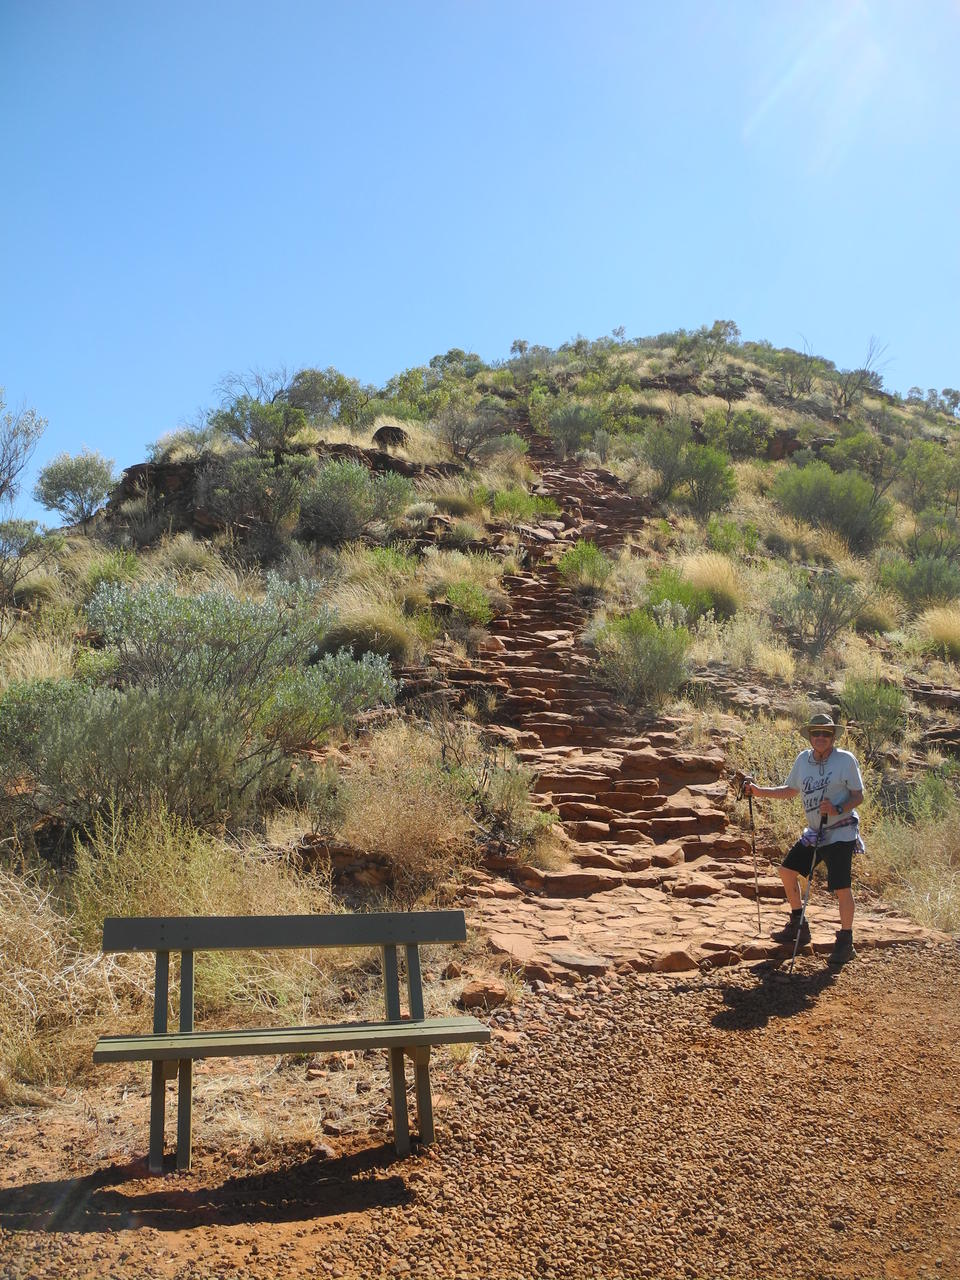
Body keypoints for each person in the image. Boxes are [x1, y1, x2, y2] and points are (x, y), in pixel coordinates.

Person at [743, 713, 864, 967]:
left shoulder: (845, 760)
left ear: (833, 737)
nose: (820, 737)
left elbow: (858, 796)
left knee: (841, 887)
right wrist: (758, 791)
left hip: (840, 832)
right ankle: (799, 924)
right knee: (787, 871)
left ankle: (846, 942)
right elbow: (790, 790)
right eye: (816, 733)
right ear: (810, 736)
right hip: (815, 832)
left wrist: (837, 809)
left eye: (826, 733)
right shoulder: (802, 760)